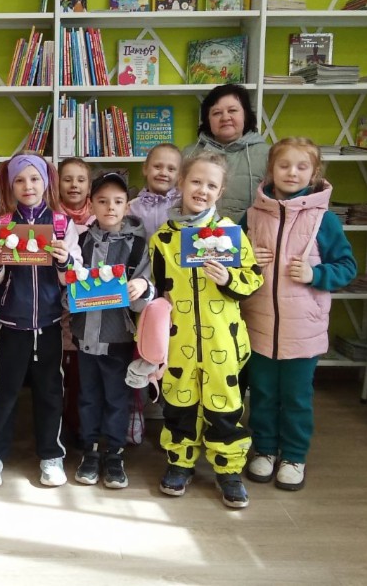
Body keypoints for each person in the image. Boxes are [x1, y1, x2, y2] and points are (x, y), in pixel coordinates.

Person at [147, 150, 263, 509]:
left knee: (224, 408)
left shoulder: (230, 233)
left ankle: (229, 470)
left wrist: (228, 278)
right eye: (196, 181)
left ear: (220, 191)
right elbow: (158, 291)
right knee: (179, 405)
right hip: (179, 340)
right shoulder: (163, 239)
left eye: (211, 185)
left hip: (222, 341)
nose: (202, 190)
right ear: (181, 183)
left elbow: (253, 279)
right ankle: (180, 463)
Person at [240, 138, 356, 491]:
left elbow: (347, 267)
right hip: (258, 327)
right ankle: (264, 449)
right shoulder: (251, 215)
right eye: (284, 165)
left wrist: (315, 274)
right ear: (271, 170)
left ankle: (293, 455)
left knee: (296, 398)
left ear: (314, 173)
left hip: (303, 332)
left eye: (301, 166)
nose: (292, 172)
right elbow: (228, 263)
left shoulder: (324, 220)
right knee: (262, 394)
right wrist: (246, 259)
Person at [0, 153, 82, 488]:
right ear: (10, 186)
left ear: (46, 182)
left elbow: (72, 279)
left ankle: (51, 455)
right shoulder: (1, 225)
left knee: (50, 391)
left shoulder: (62, 224)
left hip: (50, 323)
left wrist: (64, 261)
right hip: (11, 324)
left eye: (35, 178)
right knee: (4, 391)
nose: (28, 186)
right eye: (20, 180)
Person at [72, 172, 155, 489]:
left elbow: (147, 292)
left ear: (126, 206)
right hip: (84, 336)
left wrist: (141, 287)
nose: (110, 207)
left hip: (118, 338)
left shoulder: (137, 246)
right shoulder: (80, 242)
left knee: (118, 399)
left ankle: (115, 454)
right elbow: (68, 286)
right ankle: (91, 451)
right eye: (103, 201)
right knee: (88, 397)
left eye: (118, 201)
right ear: (91, 204)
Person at [126, 143, 183, 440]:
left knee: (174, 351)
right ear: (145, 169)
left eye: (171, 168)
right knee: (141, 349)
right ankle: (136, 410)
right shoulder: (132, 207)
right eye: (158, 166)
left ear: (180, 174)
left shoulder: (185, 205)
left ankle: (171, 412)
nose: (164, 172)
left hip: (177, 290)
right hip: (142, 289)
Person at [183, 84, 269, 222]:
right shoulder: (189, 154)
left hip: (251, 234)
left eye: (232, 110)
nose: (225, 117)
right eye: (217, 113)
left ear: (245, 114)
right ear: (207, 119)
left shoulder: (268, 155)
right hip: (195, 233)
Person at [57, 157, 94, 445]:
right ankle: (58, 428)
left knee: (83, 373)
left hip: (93, 304)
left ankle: (80, 427)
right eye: (67, 179)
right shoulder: (50, 219)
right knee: (60, 370)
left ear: (89, 186)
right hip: (58, 305)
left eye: (81, 180)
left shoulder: (102, 215)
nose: (74, 185)